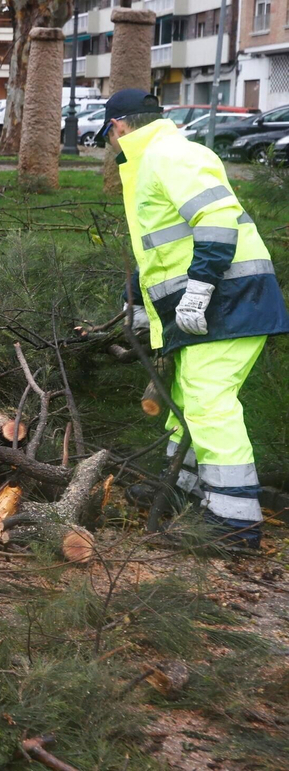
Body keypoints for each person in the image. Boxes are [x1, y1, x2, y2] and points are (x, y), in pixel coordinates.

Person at [100, 88, 289, 549]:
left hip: (227, 300)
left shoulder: (171, 154)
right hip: (211, 305)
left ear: (118, 127)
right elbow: (161, 251)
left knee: (208, 403)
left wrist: (201, 289)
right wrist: (140, 306)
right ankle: (181, 488)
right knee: (183, 402)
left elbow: (217, 218)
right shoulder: (153, 162)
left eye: (107, 133)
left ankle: (234, 521)